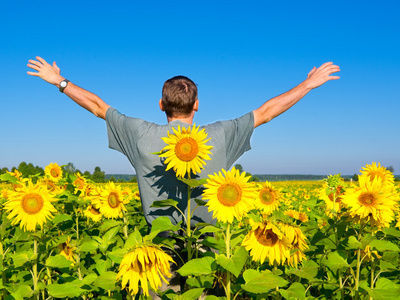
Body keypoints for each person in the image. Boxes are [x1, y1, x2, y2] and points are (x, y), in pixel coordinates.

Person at [27, 57, 340, 228]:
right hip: (210, 247)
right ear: (197, 105)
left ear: (161, 105)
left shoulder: (140, 134)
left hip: (158, 252)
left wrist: (61, 82)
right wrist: (308, 85)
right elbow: (267, 112)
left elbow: (98, 107)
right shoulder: (222, 134)